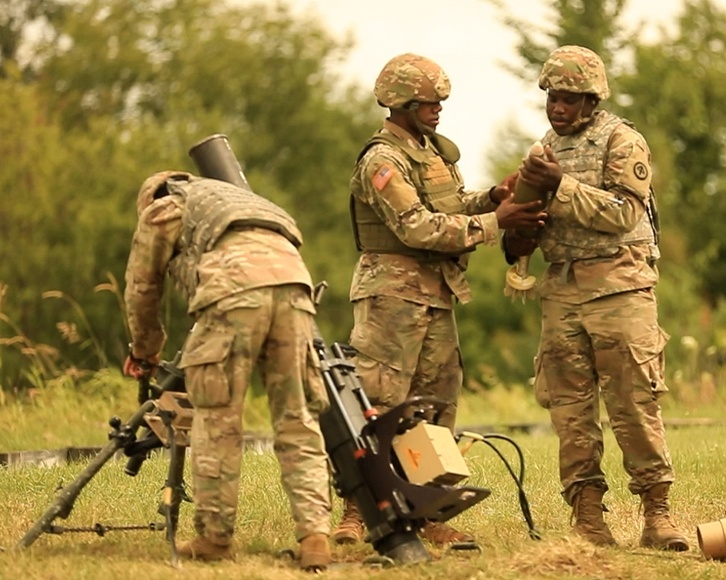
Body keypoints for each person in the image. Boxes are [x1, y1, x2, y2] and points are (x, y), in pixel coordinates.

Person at [334, 52, 546, 547]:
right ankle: (353, 511)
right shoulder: (381, 162)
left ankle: (425, 511)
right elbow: (417, 227)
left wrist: (493, 197)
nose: (437, 109)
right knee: (378, 404)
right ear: (399, 103)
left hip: (436, 297)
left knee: (434, 407)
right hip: (391, 297)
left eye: (439, 101)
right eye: (427, 102)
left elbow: (449, 207)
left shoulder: (431, 154)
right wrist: (499, 223)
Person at [503, 45, 688, 551]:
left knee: (633, 401)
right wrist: (517, 236)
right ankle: (588, 519)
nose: (557, 108)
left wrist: (559, 186)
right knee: (570, 410)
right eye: (551, 98)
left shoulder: (621, 141)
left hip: (620, 287)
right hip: (561, 289)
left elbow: (624, 215)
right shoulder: (544, 148)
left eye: (567, 99)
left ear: (591, 100)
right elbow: (528, 220)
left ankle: (657, 515)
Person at [122, 171, 334, 570]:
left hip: (233, 292)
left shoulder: (164, 207)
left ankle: (215, 538)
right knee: (297, 418)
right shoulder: (244, 202)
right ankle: (315, 536)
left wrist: (145, 350)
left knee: (218, 418)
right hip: (295, 288)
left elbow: (142, 288)